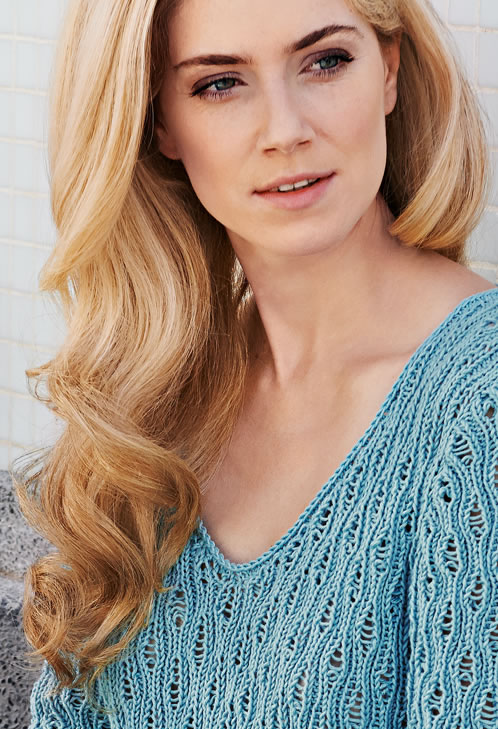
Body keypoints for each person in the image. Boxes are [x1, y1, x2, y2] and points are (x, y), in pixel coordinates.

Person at [14, 0, 497, 726]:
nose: (286, 130)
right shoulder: (154, 395)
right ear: (159, 122)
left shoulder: (478, 403)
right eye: (220, 83)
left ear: (389, 70)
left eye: (326, 61)